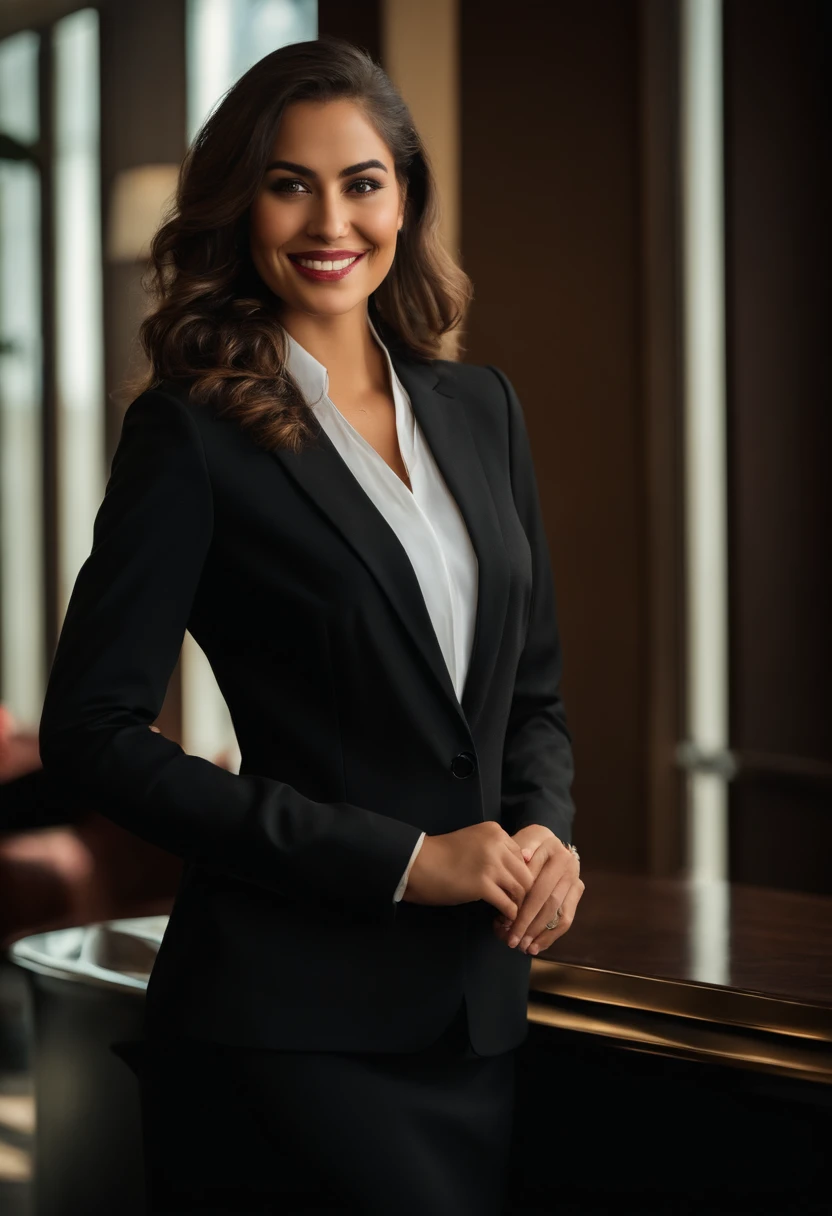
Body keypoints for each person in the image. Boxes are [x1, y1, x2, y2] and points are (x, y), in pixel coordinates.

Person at [38, 35, 582, 1216]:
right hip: (285, 1033)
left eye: (363, 181)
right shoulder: (191, 436)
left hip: (475, 1022)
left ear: (405, 196)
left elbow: (527, 695)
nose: (329, 220)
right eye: (289, 182)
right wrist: (402, 860)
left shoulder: (481, 410)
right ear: (241, 206)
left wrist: (546, 836)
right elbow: (91, 731)